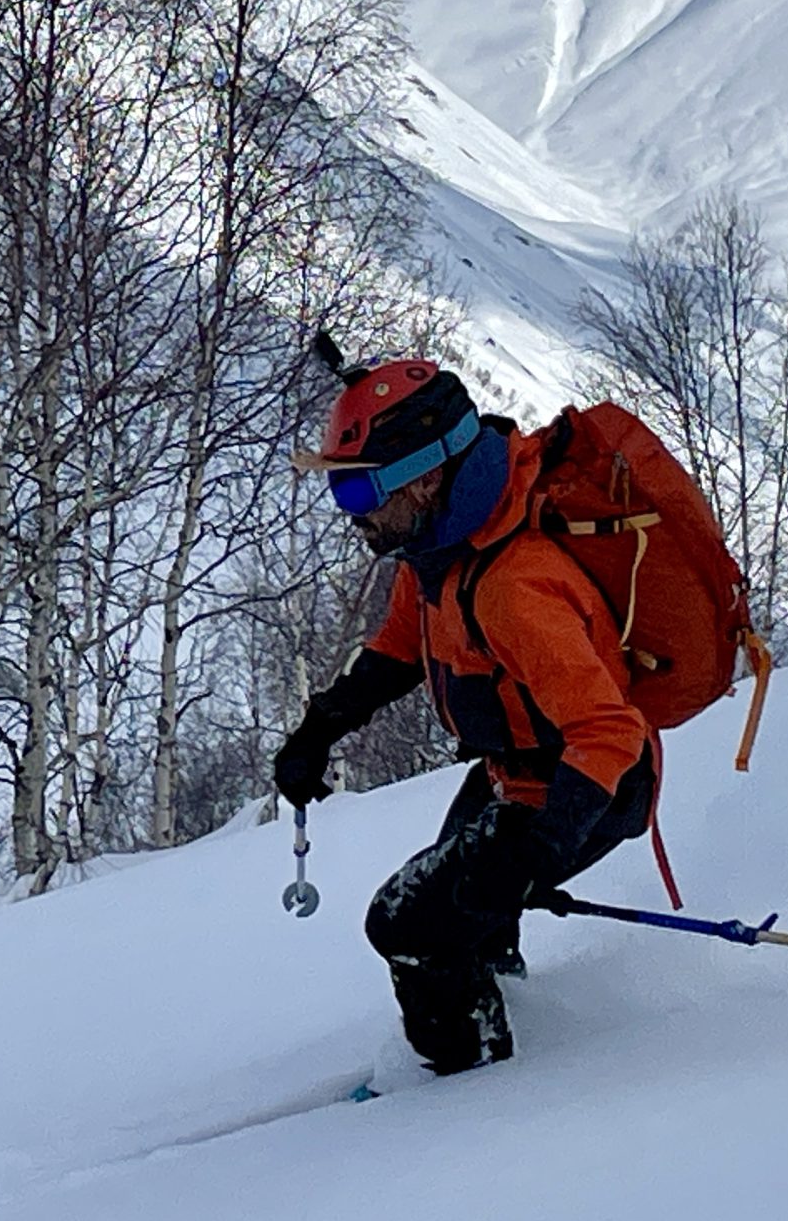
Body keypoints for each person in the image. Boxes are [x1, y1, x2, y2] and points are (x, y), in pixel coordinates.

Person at [279, 356, 659, 1074]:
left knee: (407, 924)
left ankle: (468, 1080)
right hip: (513, 773)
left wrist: (538, 848)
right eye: (339, 488)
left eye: (358, 487)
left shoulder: (515, 588)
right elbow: (399, 648)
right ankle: (502, 1017)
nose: (351, 511)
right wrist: (319, 729)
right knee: (467, 915)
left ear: (425, 476)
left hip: (587, 786)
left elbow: (609, 730)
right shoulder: (436, 550)